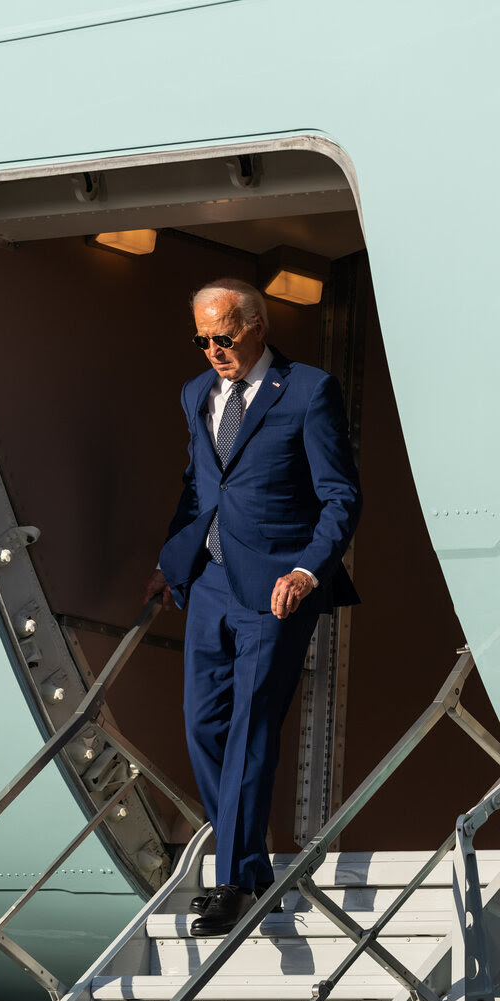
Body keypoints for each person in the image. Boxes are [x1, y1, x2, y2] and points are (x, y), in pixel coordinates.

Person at [145, 278, 361, 937]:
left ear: (258, 326)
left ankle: (234, 880)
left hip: (274, 591)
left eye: (224, 337)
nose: (213, 350)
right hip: (208, 582)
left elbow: (341, 496)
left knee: (249, 726)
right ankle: (252, 864)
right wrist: (169, 561)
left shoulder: (307, 391)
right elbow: (198, 489)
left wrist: (306, 569)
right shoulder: (196, 395)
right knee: (201, 726)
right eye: (203, 338)